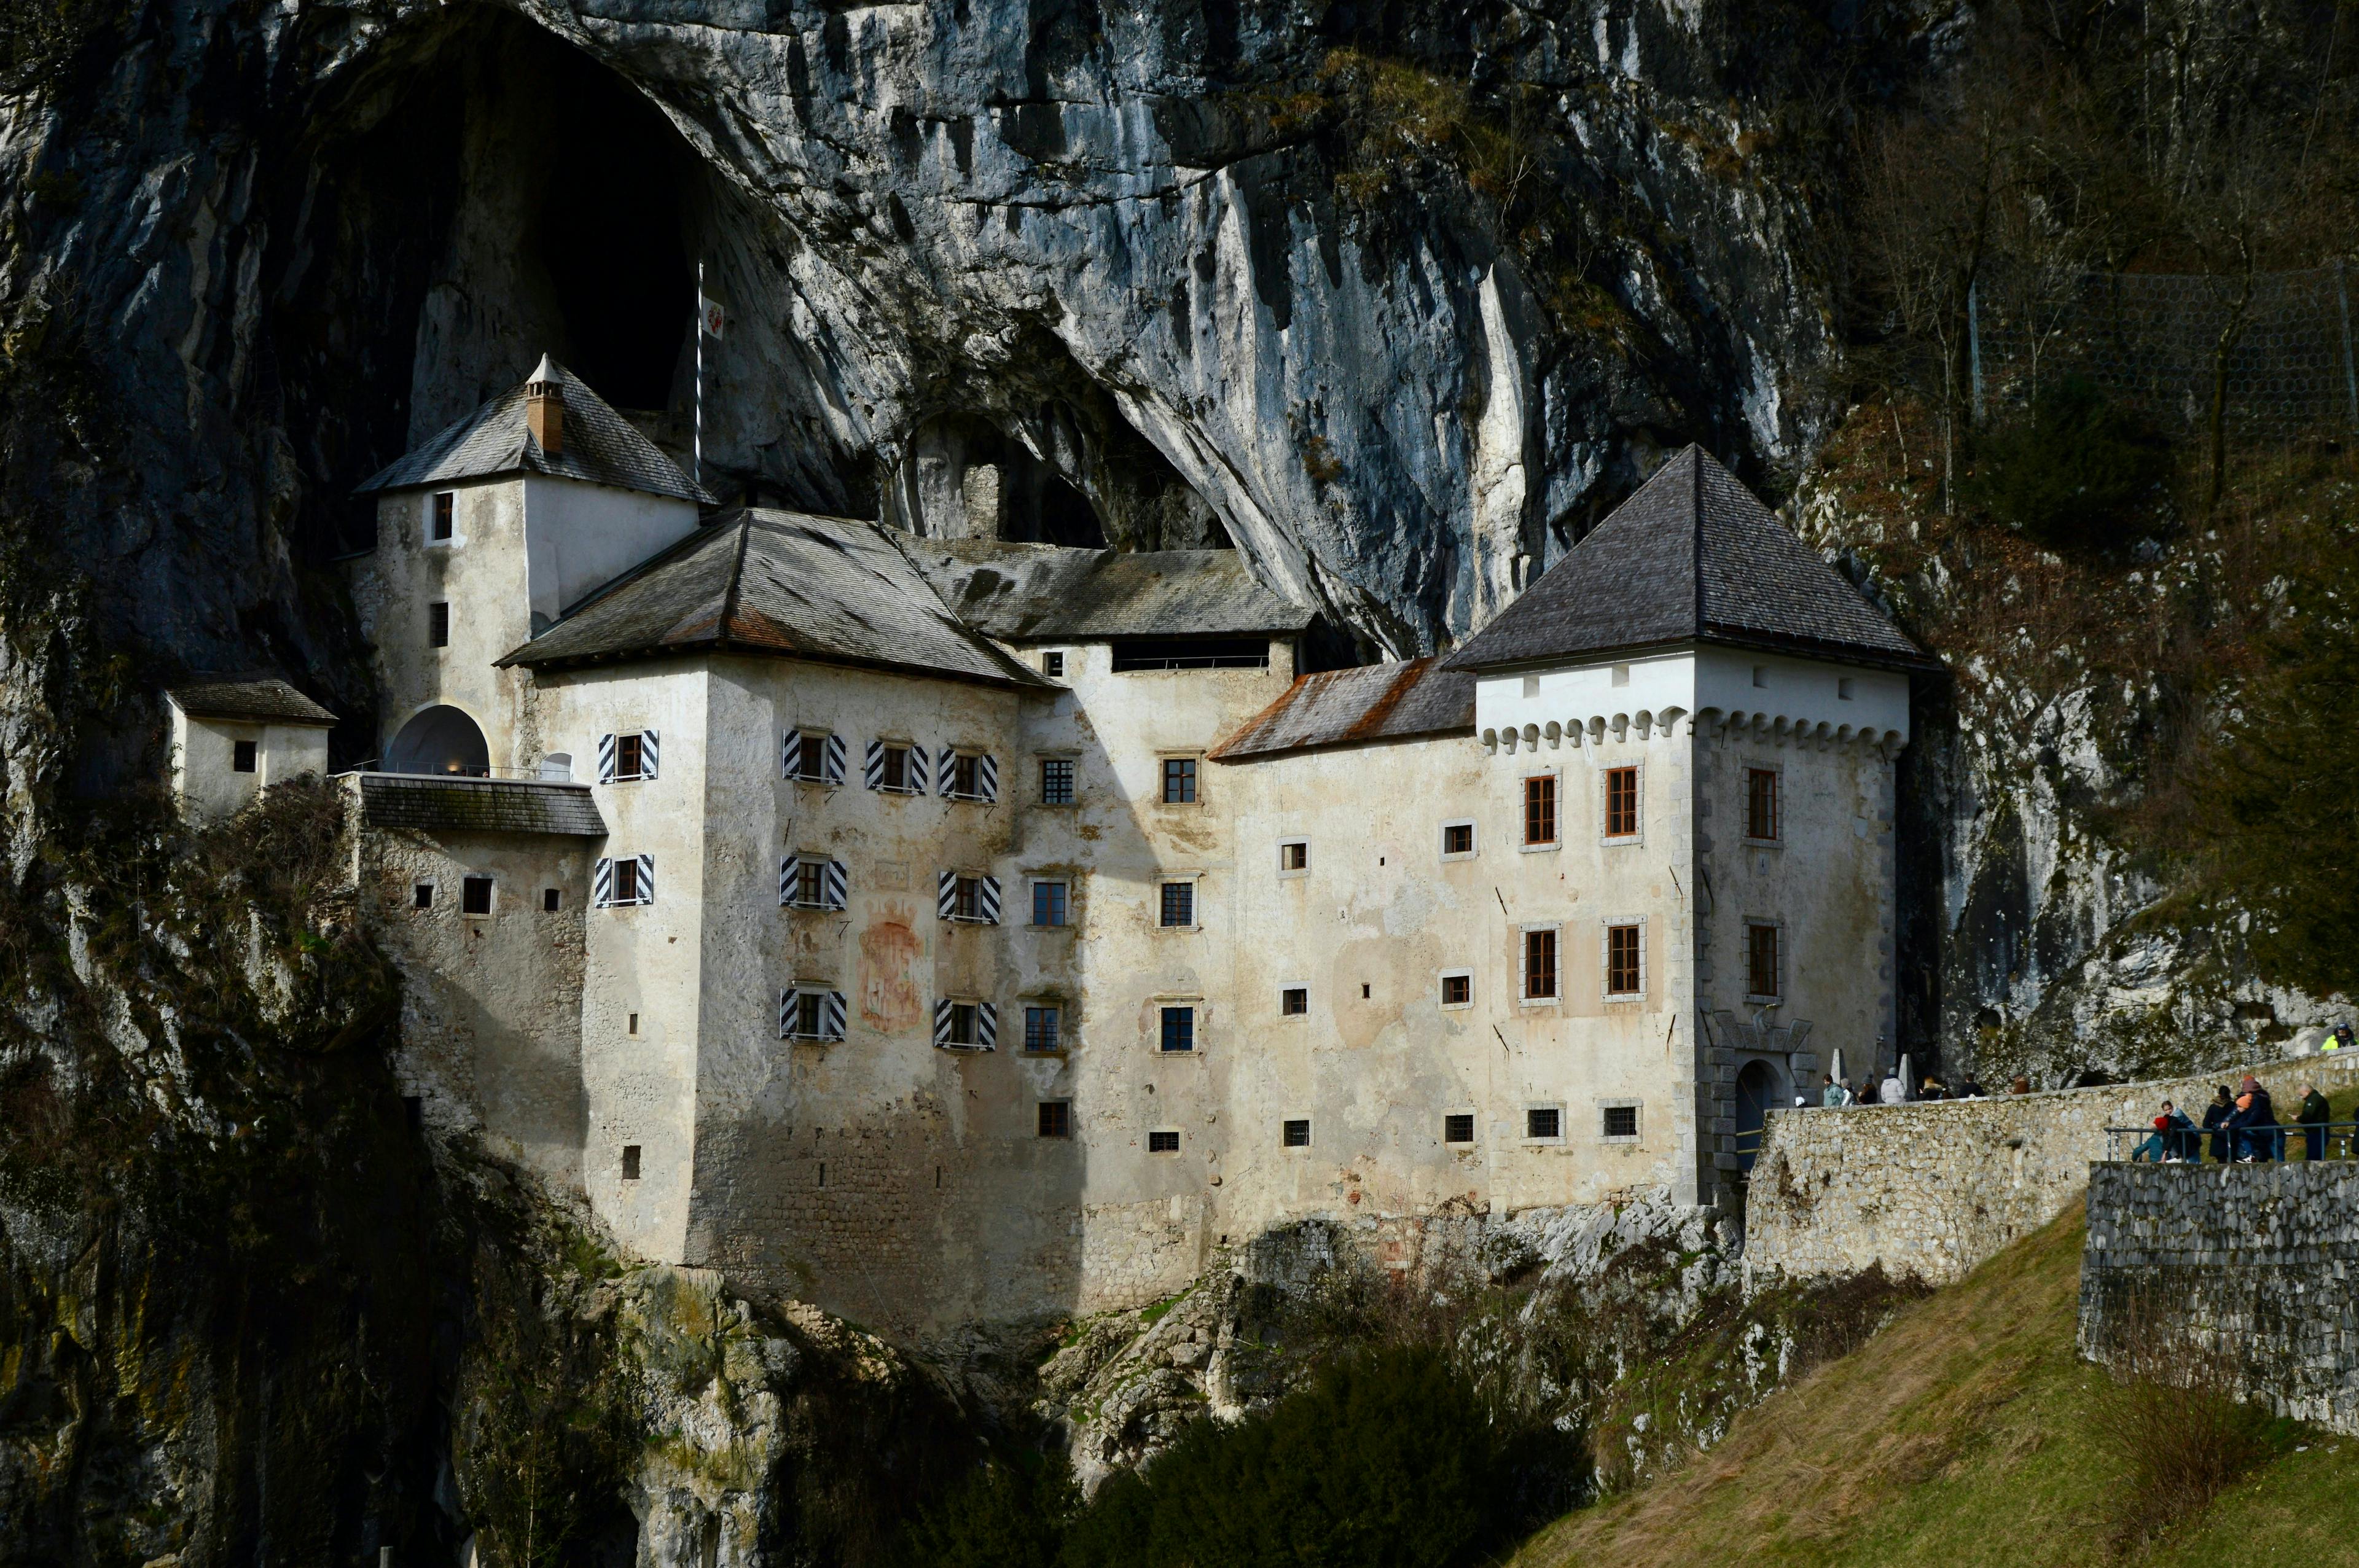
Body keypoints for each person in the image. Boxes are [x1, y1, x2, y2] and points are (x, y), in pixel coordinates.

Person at [2298, 1083, 2330, 1161]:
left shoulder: (2313, 1099)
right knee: (2317, 1159)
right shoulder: (2316, 1098)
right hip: (2318, 1132)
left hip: (2317, 1133)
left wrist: (2299, 1118)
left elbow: (2308, 1116)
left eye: (2301, 1095)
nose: (2301, 1097)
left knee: (2312, 1160)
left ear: (2307, 1092)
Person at [2202, 1086, 2234, 1163]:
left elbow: (2206, 1124)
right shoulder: (2233, 1106)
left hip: (2218, 1139)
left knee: (2221, 1164)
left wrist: (2215, 1128)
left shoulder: (2213, 1107)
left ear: (2219, 1094)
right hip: (2232, 1138)